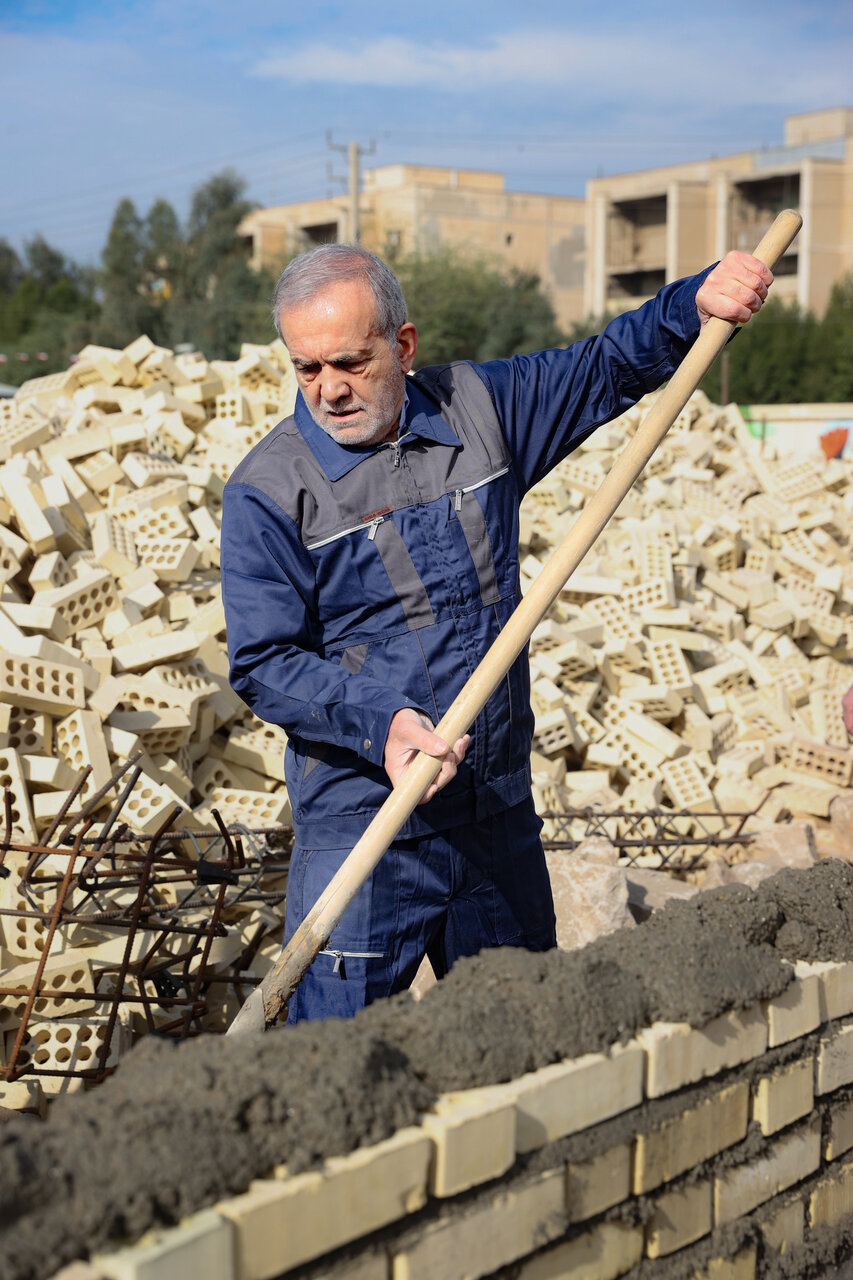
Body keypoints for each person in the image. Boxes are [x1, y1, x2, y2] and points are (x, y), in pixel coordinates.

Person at [220, 242, 772, 1022]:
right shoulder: (269, 492)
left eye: (347, 361)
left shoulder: (478, 410)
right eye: (306, 368)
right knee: (331, 1064)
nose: (327, 390)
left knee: (523, 1039)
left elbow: (605, 368)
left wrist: (692, 305)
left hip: (492, 815)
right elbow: (266, 662)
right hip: (366, 825)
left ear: (403, 346)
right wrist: (384, 726)